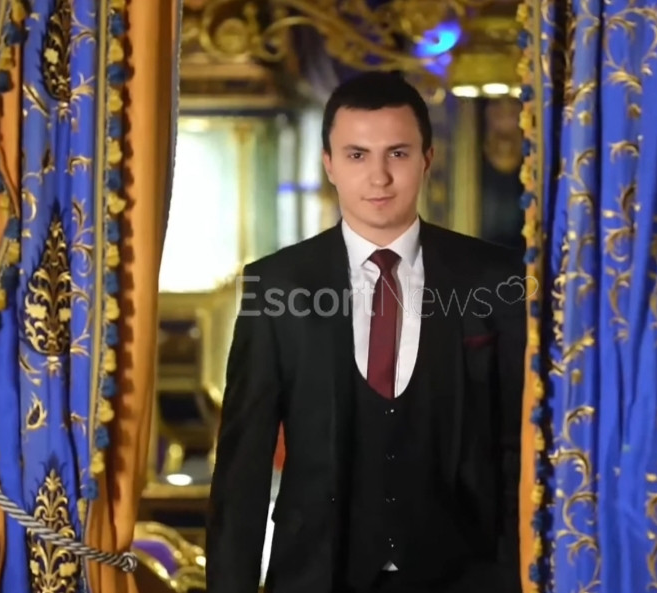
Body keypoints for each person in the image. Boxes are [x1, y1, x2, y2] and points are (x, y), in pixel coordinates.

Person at [206, 71, 526, 593]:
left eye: (397, 153)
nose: (379, 177)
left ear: (426, 159)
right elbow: (243, 464)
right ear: (329, 164)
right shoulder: (277, 283)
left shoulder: (495, 278)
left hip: (467, 575)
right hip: (314, 576)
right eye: (357, 155)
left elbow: (518, 448)